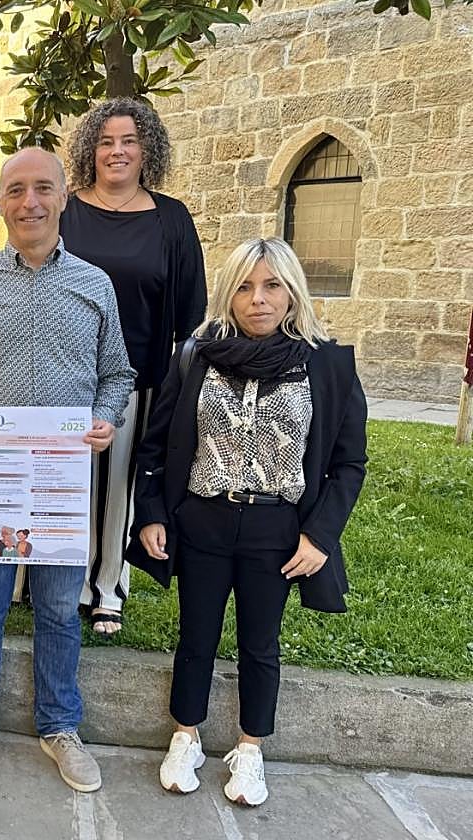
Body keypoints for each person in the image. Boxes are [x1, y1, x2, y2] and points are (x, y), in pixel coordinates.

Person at [0, 148, 134, 791]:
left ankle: (60, 726)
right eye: (16, 190)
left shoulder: (95, 285)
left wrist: (104, 416)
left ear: (65, 197)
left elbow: (118, 373)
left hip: (62, 482)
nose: (30, 202)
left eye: (43, 188)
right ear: (1, 202)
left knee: (61, 608)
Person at [127, 238, 368, 807]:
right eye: (244, 286)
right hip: (204, 521)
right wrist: (154, 513)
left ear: (291, 293)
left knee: (261, 644)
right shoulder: (196, 356)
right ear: (228, 294)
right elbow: (155, 445)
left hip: (277, 531)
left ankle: (250, 749)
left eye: (271, 286)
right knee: (196, 637)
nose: (257, 299)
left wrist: (321, 536)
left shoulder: (325, 364)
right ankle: (184, 736)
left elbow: (348, 462)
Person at [54, 97, 207, 637]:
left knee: (118, 485)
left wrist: (181, 381)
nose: (116, 151)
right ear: (89, 151)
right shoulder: (64, 211)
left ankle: (107, 588)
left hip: (138, 377)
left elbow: (190, 310)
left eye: (129, 141)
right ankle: (59, 582)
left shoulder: (171, 219)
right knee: (66, 483)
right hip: (63, 378)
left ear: (148, 152)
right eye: (105, 141)